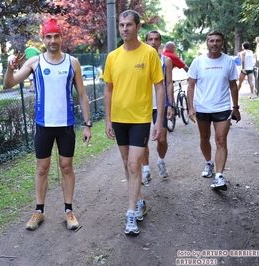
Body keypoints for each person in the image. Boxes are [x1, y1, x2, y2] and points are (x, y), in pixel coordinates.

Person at [3, 18, 92, 231]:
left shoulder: (72, 62)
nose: (53, 40)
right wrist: (9, 68)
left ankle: (69, 211)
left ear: (61, 37)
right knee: (42, 168)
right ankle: (39, 211)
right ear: (43, 39)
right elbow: (9, 83)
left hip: (66, 125)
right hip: (43, 125)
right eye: (48, 36)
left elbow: (81, 94)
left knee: (66, 166)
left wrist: (87, 124)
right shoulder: (34, 63)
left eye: (56, 36)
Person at [103, 10, 165, 235]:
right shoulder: (113, 56)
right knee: (126, 162)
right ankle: (138, 199)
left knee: (133, 164)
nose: (124, 29)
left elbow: (159, 86)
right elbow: (108, 89)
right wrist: (108, 120)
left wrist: (158, 119)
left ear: (138, 27)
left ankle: (131, 214)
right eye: (121, 25)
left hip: (140, 119)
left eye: (129, 25)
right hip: (119, 119)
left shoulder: (149, 54)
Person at [187, 30, 241, 191]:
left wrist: (236, 107)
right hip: (203, 107)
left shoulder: (228, 62)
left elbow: (233, 86)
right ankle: (208, 162)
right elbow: (191, 86)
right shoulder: (198, 62)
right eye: (211, 41)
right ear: (207, 42)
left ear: (222, 43)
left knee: (221, 140)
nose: (214, 44)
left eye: (218, 41)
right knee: (204, 137)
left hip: (222, 107)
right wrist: (191, 108)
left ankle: (219, 176)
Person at [142, 31, 175, 185]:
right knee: (142, 140)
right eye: (150, 39)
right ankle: (146, 169)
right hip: (142, 105)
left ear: (160, 42)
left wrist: (171, 105)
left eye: (156, 40)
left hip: (160, 105)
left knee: (162, 138)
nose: (153, 42)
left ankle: (161, 161)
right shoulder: (140, 59)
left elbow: (169, 83)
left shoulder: (165, 60)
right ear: (146, 41)